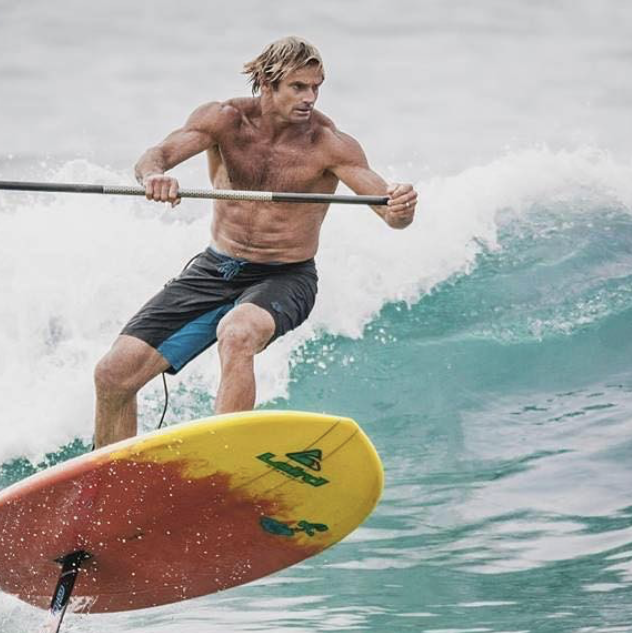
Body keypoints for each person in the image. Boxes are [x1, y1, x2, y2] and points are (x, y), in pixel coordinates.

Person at [92, 36, 417, 448]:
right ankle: (107, 487)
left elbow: (388, 210)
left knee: (238, 332)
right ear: (266, 82)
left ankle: (224, 460)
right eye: (298, 87)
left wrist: (400, 209)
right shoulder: (223, 120)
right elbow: (154, 156)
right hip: (215, 269)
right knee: (113, 374)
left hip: (285, 277)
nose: (310, 98)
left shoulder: (329, 143)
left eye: (316, 87)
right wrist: (155, 177)